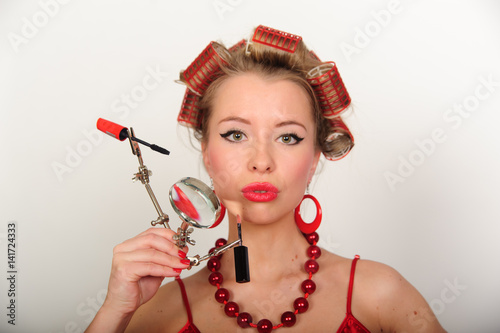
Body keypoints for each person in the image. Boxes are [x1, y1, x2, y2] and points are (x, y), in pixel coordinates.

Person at [86, 25, 446, 333]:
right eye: (235, 135)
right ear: (206, 152)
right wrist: (114, 311)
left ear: (315, 156)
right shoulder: (156, 313)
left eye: (288, 137)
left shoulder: (382, 295)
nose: (261, 161)